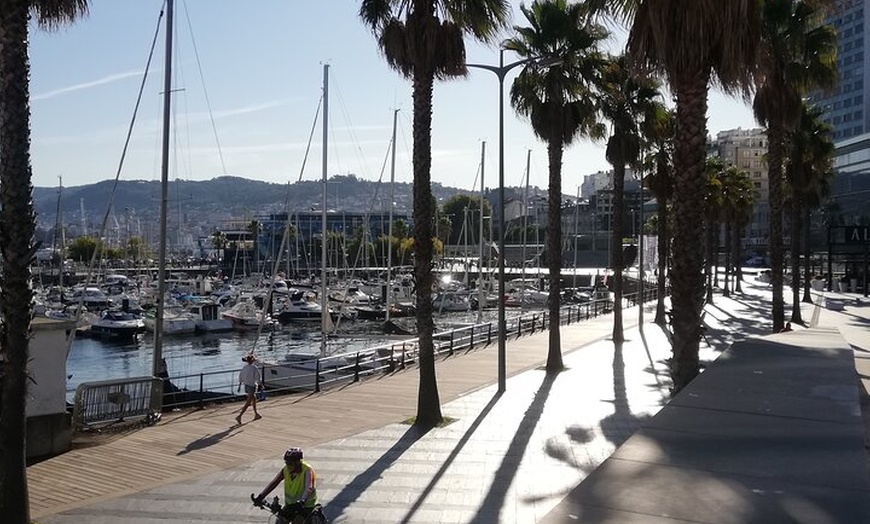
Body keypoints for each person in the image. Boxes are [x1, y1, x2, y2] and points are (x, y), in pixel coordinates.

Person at [254, 447, 318, 524]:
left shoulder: (307, 470)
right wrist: (261, 496)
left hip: (306, 506)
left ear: (298, 462)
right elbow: (275, 482)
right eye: (286, 463)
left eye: (290, 463)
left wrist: (302, 501)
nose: (288, 465)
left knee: (297, 522)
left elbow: (309, 487)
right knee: (280, 521)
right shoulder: (286, 470)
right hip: (290, 506)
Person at [235, 354, 262, 425]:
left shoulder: (244, 368)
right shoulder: (254, 368)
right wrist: (260, 384)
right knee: (248, 402)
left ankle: (256, 414)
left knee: (254, 398)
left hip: (246, 385)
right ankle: (239, 416)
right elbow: (257, 378)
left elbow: (241, 376)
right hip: (251, 386)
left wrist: (239, 385)